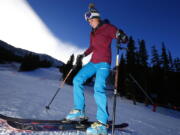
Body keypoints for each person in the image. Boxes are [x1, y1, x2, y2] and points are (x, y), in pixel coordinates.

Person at [65, 4, 128, 135]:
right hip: (93, 62)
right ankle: (79, 110)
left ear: (96, 17)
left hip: (104, 63)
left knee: (98, 88)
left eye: (91, 20)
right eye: (88, 21)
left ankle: (102, 123)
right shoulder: (92, 33)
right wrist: (83, 54)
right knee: (77, 80)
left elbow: (119, 35)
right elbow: (92, 47)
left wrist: (121, 36)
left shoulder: (108, 27)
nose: (89, 23)